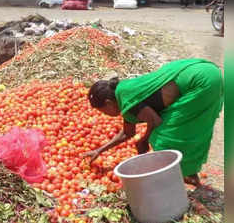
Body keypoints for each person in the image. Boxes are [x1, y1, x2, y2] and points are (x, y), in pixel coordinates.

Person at [83, 58, 223, 187]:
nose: (104, 114)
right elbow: (127, 133)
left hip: (201, 80)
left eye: (102, 111)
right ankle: (188, 173)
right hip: (203, 70)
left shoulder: (127, 100)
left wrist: (145, 139)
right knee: (183, 126)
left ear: (108, 103)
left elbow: (155, 121)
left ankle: (179, 177)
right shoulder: (123, 91)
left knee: (163, 136)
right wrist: (98, 151)